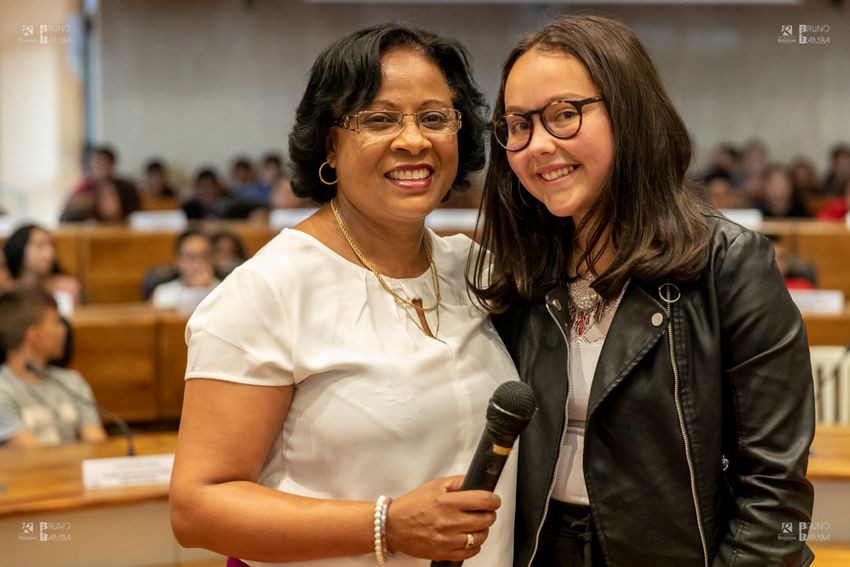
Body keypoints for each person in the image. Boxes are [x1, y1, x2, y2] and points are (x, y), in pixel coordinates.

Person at [470, 15, 815, 566]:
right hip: (535, 547)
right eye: (517, 124)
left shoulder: (729, 264)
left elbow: (777, 493)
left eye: (563, 115)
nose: (536, 145)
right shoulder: (522, 267)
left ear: (628, 112)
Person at [169, 24, 518, 567]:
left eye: (434, 118)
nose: (413, 140)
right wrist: (387, 525)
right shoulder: (269, 290)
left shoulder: (473, 271)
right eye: (379, 119)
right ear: (329, 142)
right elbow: (197, 508)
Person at [0, 288, 106, 447]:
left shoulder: (72, 381)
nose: (64, 330)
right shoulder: (3, 390)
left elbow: (96, 441)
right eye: (56, 322)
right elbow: (32, 454)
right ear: (34, 335)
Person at [3, 224, 82, 309]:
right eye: (40, 246)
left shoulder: (68, 289)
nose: (50, 254)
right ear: (20, 250)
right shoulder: (7, 291)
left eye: (51, 246)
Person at [151, 230, 220, 313]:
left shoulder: (225, 290)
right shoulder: (163, 294)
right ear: (177, 260)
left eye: (205, 256)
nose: (199, 264)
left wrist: (203, 290)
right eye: (191, 257)